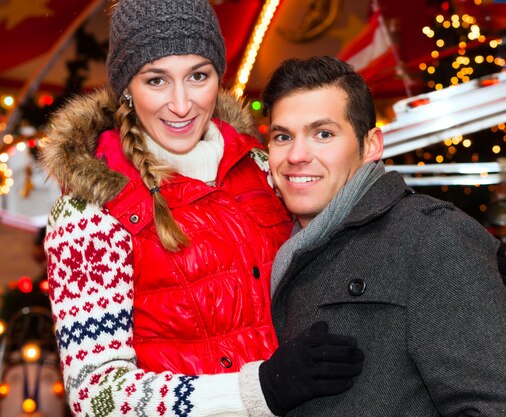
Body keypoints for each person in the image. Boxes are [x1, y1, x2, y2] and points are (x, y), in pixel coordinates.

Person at [40, 2, 363, 416]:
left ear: (218, 77)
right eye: (156, 80)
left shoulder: (263, 167)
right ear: (125, 87)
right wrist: (259, 391)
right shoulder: (88, 215)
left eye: (198, 76)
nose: (181, 104)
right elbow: (96, 395)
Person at [263, 56, 506, 416]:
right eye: (283, 136)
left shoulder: (431, 237)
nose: (296, 155)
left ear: (371, 145)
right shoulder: (282, 246)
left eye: (323, 134)